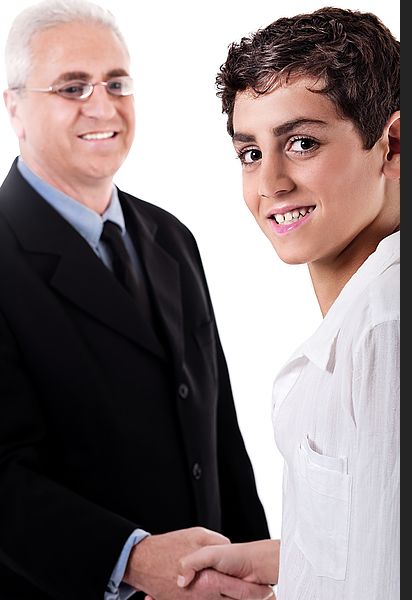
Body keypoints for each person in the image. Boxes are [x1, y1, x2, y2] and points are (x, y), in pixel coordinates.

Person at [0, 1, 272, 599]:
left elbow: (220, 429)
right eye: (73, 86)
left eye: (117, 83)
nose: (102, 105)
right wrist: (134, 559)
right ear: (14, 107)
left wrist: (254, 566)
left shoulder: (172, 238)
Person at [177, 7, 400, 599]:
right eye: (250, 152)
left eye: (302, 143)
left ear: (393, 144)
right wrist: (288, 561)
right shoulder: (371, 313)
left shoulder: (389, 326)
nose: (270, 183)